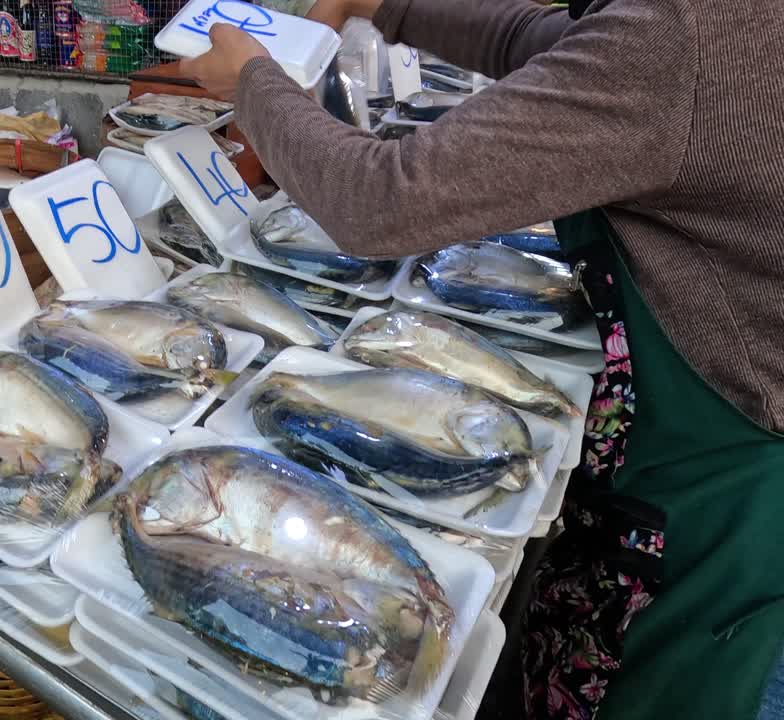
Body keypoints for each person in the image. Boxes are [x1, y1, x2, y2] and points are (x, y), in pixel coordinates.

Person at [178, 1, 784, 719]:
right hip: (689, 424)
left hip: (719, 468)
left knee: (652, 685)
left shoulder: (694, 30)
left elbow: (383, 201)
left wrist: (253, 81)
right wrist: (386, 6)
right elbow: (554, 45)